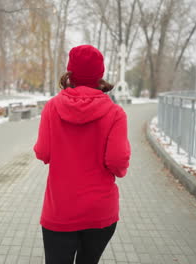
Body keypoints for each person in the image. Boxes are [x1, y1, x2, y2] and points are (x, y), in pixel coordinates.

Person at [33, 45, 131, 264]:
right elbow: (118, 162)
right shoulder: (116, 113)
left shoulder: (52, 108)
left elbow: (42, 153)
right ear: (100, 74)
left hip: (60, 210)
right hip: (100, 212)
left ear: (71, 72)